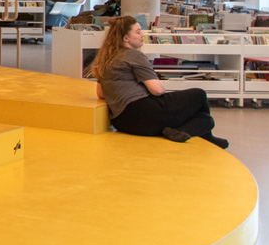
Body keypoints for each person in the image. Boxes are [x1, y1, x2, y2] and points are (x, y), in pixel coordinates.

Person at [91, 16, 228, 148]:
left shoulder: (105, 58)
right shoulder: (134, 55)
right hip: (143, 113)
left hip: (122, 122)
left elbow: (101, 93)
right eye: (138, 32)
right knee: (199, 95)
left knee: (203, 118)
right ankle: (199, 134)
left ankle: (182, 132)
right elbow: (157, 90)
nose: (142, 35)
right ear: (126, 38)